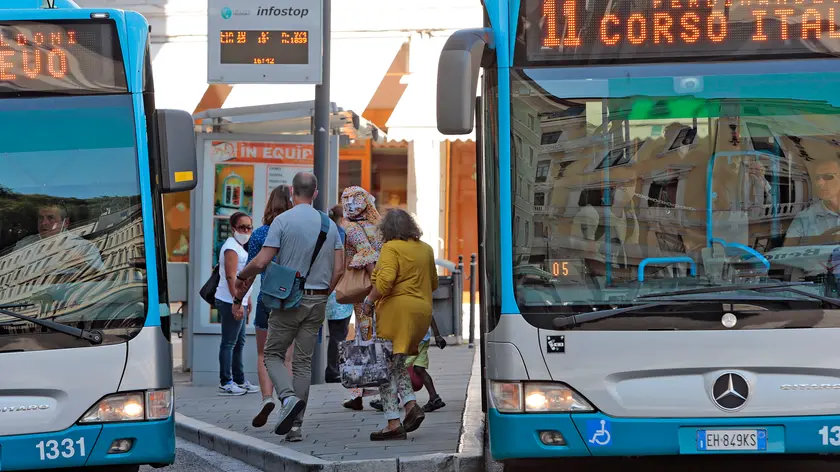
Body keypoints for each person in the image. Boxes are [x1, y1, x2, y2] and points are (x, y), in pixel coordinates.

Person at [234, 173, 344, 441]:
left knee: (272, 354)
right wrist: (323, 291)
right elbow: (340, 268)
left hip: (287, 300)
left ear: (294, 191)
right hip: (317, 298)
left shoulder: (282, 221)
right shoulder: (328, 224)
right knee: (303, 364)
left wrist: (241, 276)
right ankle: (296, 427)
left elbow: (261, 262)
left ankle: (286, 397)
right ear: (315, 193)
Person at [362, 209, 438, 441]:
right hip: (421, 314)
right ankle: (411, 405)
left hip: (396, 314)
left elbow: (384, 282)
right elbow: (433, 283)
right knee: (396, 364)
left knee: (383, 369)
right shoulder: (426, 249)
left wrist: (369, 301)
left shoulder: (391, 248)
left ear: (387, 230)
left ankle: (393, 423)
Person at [247, 185, 295, 427]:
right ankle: (288, 402)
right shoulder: (296, 233)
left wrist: (237, 299)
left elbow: (252, 269)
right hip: (292, 300)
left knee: (263, 353)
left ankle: (267, 398)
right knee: (287, 357)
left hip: (267, 298)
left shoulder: (259, 234)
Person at [338, 186, 385, 410]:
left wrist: (374, 289)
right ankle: (385, 393)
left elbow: (366, 255)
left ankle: (358, 394)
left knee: (364, 337)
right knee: (382, 336)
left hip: (367, 290)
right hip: (385, 287)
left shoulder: (353, 229)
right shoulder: (381, 226)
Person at [215, 212, 259, 396]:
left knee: (239, 342)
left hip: (239, 300)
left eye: (249, 227)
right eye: (242, 227)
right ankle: (226, 382)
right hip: (229, 300)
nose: (246, 231)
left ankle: (239, 380)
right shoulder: (231, 248)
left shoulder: (241, 246)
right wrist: (237, 301)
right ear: (233, 228)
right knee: (229, 342)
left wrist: (247, 299)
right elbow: (231, 276)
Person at [371, 317, 447, 413]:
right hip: (423, 339)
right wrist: (437, 335)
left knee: (396, 369)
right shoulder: (424, 301)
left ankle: (392, 398)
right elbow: (430, 315)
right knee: (419, 369)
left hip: (411, 340)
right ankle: (434, 398)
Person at [325, 204, 353, 383]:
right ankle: (334, 369)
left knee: (337, 331)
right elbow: (342, 263)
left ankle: (334, 368)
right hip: (338, 289)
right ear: (343, 219)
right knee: (339, 332)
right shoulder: (340, 234)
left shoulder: (327, 230)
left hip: (328, 288)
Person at [785, 158, 840, 246]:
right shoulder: (804, 218)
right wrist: (818, 241)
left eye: (828, 176)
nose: (820, 183)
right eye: (817, 178)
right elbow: (787, 253)